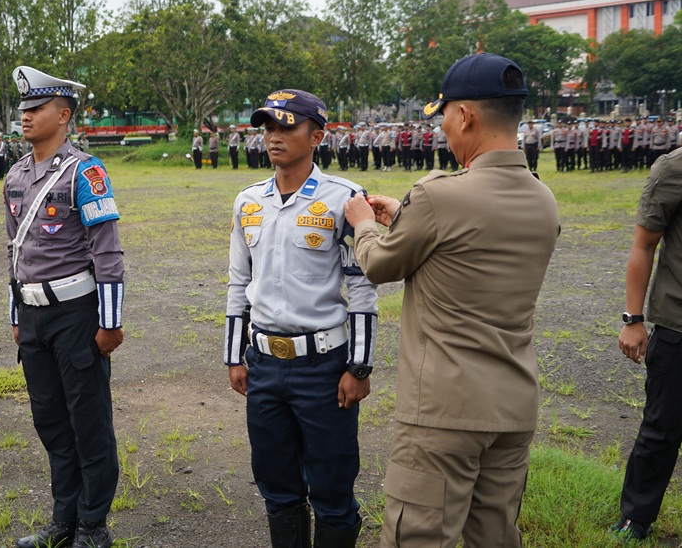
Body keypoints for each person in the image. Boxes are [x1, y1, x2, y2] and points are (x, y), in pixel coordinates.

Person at [344, 53, 559, 547]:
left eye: (443, 115)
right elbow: (468, 248)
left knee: (418, 537)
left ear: (465, 115)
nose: (442, 127)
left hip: (444, 411)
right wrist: (407, 216)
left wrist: (364, 222)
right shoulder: (541, 198)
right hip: (513, 404)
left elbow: (379, 265)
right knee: (495, 535)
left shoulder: (440, 195)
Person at [226, 89, 378, 548]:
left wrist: (360, 366)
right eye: (268, 127)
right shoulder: (248, 201)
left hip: (324, 369)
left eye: (287, 126)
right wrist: (235, 356)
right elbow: (238, 284)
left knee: (332, 488)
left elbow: (364, 288)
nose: (274, 136)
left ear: (317, 135)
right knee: (277, 486)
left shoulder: (345, 199)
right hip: (265, 365)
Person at [5, 66, 124, 548]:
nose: (26, 117)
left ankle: (92, 525)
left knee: (88, 422)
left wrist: (110, 321)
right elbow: (13, 249)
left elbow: (107, 250)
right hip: (33, 317)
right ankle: (64, 520)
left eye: (36, 109)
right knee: (50, 421)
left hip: (77, 315)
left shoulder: (86, 171)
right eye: (24, 110)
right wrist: (17, 314)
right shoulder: (15, 174)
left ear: (64, 114)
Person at [612, 143, 682, 541]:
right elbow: (644, 245)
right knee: (662, 427)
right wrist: (633, 319)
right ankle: (636, 516)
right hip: (678, 324)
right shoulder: (673, 169)